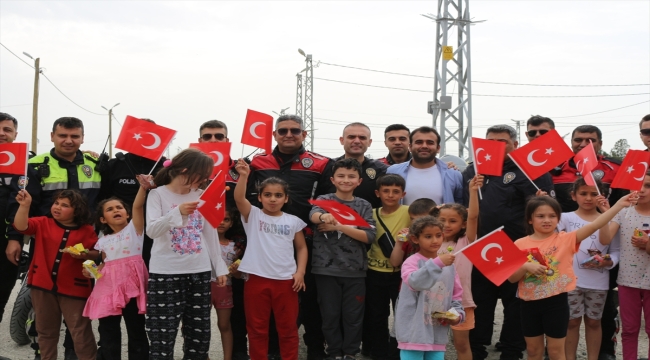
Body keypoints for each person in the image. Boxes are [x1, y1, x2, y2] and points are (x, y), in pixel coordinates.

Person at [462, 124, 555, 360]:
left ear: (515, 145)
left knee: (515, 303)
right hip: (483, 246)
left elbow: (542, 211)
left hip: (517, 248)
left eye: (502, 141)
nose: (495, 146)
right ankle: (477, 347)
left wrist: (541, 203)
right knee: (481, 300)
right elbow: (466, 208)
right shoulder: (473, 171)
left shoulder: (531, 170)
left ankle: (512, 348)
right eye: (490, 141)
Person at [508, 193, 635, 360]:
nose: (547, 220)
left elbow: (596, 224)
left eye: (552, 216)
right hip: (528, 304)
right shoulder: (519, 244)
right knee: (533, 351)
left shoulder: (566, 239)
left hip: (556, 303)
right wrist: (525, 266)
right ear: (530, 219)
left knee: (556, 352)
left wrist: (618, 205)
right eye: (540, 216)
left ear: (558, 219)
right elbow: (511, 278)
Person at [247, 114, 331, 360]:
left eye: (295, 131)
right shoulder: (257, 162)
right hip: (266, 243)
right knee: (266, 308)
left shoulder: (320, 163)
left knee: (310, 300)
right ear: (274, 135)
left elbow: (326, 201)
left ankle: (315, 349)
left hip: (307, 241)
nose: (288, 135)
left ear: (304, 134)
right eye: (282, 131)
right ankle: (271, 352)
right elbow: (248, 199)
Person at [145, 149, 229, 360]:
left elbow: (210, 234)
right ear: (184, 170)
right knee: (161, 336)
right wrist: (177, 212)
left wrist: (218, 267)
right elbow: (152, 231)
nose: (203, 180)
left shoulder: (202, 196)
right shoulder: (157, 194)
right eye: (201, 175)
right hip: (165, 273)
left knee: (199, 338)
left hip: (199, 272)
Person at [234, 159, 308, 360]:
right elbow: (239, 198)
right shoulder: (253, 215)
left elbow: (301, 248)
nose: (272, 199)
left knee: (288, 329)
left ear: (286, 198)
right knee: (257, 329)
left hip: (286, 282)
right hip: (256, 280)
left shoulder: (293, 221)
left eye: (278, 195)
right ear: (259, 197)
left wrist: (300, 272)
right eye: (267, 195)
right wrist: (243, 176)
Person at [13, 189, 99, 360]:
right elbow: (21, 226)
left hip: (75, 288)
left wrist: (84, 255)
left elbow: (96, 253)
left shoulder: (87, 230)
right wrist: (25, 206)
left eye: (65, 205)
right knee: (45, 332)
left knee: (80, 333)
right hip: (42, 286)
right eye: (56, 203)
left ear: (77, 210)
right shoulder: (43, 222)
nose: (57, 207)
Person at [310, 158, 376, 360]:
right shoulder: (324, 199)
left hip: (355, 271)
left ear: (359, 181)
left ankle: (350, 353)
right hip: (325, 270)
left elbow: (369, 236)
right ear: (332, 179)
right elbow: (313, 215)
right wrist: (323, 217)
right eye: (341, 176)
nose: (346, 180)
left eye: (351, 176)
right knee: (329, 315)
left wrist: (338, 226)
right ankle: (333, 353)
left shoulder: (364, 205)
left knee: (353, 316)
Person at [82, 175, 152, 360]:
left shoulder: (135, 230)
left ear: (127, 214)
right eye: (110, 209)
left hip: (132, 288)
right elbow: (103, 264)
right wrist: (91, 272)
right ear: (103, 219)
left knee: (136, 329)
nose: (116, 210)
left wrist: (142, 188)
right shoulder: (102, 241)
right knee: (108, 331)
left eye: (119, 207)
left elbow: (138, 206)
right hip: (108, 289)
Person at [198, 119, 249, 360]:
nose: (213, 141)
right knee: (195, 316)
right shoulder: (191, 169)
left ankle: (237, 353)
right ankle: (196, 353)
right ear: (200, 141)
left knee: (235, 310)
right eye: (207, 137)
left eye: (219, 137)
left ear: (227, 141)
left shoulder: (240, 168)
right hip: (197, 242)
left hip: (234, 241)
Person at [557, 178, 620, 360]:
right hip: (570, 281)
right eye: (583, 193)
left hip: (598, 282)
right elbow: (555, 244)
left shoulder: (609, 219)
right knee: (571, 322)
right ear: (573, 195)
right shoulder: (565, 218)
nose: (588, 198)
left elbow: (615, 251)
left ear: (603, 196)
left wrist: (608, 261)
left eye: (594, 194)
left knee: (594, 322)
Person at [394, 216, 465, 360]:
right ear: (415, 239)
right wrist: (437, 263)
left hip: (437, 334)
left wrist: (457, 315)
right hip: (413, 333)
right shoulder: (411, 262)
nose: (435, 240)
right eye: (428, 236)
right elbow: (415, 282)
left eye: (438, 235)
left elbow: (456, 295)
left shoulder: (449, 266)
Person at [99, 118, 165, 268]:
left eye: (149, 134)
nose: (143, 138)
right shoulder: (115, 165)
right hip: (121, 235)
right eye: (139, 133)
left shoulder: (165, 168)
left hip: (157, 235)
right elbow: (103, 199)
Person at [362, 174, 409, 360]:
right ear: (377, 193)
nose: (390, 195)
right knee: (377, 316)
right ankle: (379, 353)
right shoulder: (371, 214)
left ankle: (397, 353)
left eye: (396, 191)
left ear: (403, 193)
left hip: (400, 275)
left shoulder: (408, 211)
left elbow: (430, 213)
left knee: (402, 315)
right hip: (374, 273)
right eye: (386, 191)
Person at [438, 175, 483, 360]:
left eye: (453, 221)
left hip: (461, 302)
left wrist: (472, 191)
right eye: (442, 220)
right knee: (433, 344)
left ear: (463, 224)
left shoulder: (467, 241)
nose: (446, 225)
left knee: (461, 344)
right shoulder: (430, 241)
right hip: (433, 301)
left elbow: (473, 215)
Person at [607, 173, 650, 360]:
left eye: (647, 185)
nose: (641, 190)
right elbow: (604, 238)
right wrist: (607, 211)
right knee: (629, 330)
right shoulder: (622, 213)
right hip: (627, 281)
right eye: (637, 185)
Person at [551, 125, 624, 212]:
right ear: (571, 143)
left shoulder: (616, 168)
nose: (583, 145)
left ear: (600, 144)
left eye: (590, 141)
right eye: (578, 140)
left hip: (604, 224)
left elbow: (626, 203)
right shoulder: (554, 168)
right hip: (562, 224)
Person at [387, 126, 463, 205]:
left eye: (430, 143)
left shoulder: (453, 174)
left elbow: (461, 206)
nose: (424, 146)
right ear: (410, 147)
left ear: (438, 148)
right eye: (419, 142)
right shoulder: (393, 172)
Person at [326, 122, 388, 209]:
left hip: (369, 220)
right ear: (342, 140)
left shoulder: (381, 170)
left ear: (369, 142)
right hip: (331, 221)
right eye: (351, 137)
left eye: (362, 137)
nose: (357, 141)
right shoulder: (327, 166)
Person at [212, 208, 245, 360]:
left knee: (225, 325)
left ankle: (228, 357)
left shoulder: (235, 247)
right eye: (218, 218)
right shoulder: (202, 242)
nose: (221, 222)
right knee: (200, 325)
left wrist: (236, 270)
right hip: (203, 288)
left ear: (231, 223)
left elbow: (238, 276)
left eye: (226, 220)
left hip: (225, 289)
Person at [389, 198, 438, 268]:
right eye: (412, 219)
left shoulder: (438, 238)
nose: (415, 223)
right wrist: (399, 243)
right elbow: (395, 263)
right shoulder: (409, 237)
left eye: (421, 220)